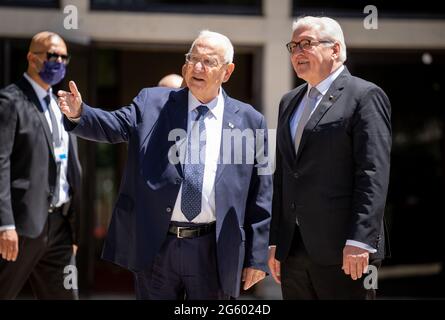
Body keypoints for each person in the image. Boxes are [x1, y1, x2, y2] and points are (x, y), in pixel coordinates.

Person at [58, 30, 272, 300]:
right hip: (159, 244)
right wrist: (80, 113)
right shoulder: (154, 102)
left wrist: (257, 257)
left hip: (214, 248)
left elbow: (261, 194)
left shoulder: (252, 121)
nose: (197, 67)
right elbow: (114, 126)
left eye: (208, 62)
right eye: (192, 58)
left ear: (227, 71)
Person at [268, 16, 391, 299]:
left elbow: (373, 173)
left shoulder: (365, 96)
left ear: (335, 50)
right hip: (294, 251)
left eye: (306, 44)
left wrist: (361, 239)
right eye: (293, 46)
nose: (297, 52)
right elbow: (284, 176)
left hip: (345, 251)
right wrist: (276, 241)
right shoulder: (289, 101)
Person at [0, 31, 82, 299]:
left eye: (63, 56)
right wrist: (5, 225)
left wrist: (73, 228)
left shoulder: (62, 105)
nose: (58, 61)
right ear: (31, 57)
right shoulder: (10, 101)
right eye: (51, 55)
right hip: (22, 226)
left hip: (58, 225)